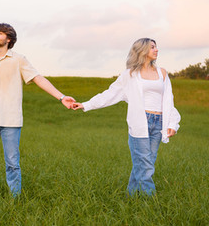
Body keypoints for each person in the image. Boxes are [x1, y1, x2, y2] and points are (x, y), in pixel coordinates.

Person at [0, 23, 75, 198]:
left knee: (12, 163)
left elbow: (38, 79)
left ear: (9, 39)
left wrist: (61, 97)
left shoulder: (19, 60)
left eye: (0, 33)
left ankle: (15, 200)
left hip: (11, 121)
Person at [73, 38, 180, 196]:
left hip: (159, 122)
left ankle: (131, 196)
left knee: (145, 163)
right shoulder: (130, 75)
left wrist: (172, 123)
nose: (156, 50)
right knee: (145, 165)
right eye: (152, 47)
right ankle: (151, 201)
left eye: (156, 47)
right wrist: (86, 104)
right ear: (142, 50)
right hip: (140, 121)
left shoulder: (161, 72)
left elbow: (168, 100)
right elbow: (110, 94)